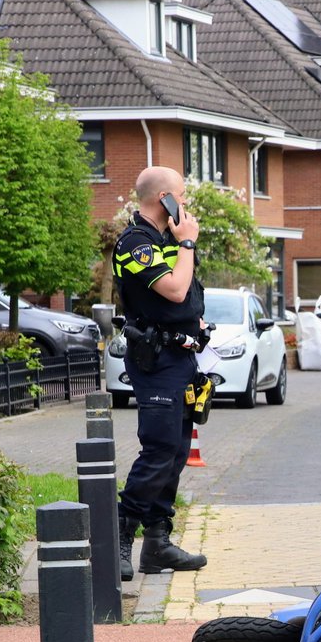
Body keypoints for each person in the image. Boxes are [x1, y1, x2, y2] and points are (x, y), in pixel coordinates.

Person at [113, 166, 209, 579]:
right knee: (158, 449)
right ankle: (118, 534)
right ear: (165, 197)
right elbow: (173, 289)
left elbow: (183, 300)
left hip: (181, 359)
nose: (184, 205)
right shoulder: (134, 243)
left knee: (176, 452)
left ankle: (158, 544)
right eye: (181, 196)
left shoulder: (164, 240)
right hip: (155, 362)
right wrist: (187, 241)